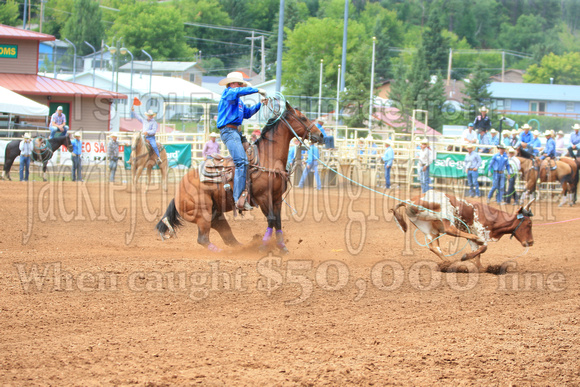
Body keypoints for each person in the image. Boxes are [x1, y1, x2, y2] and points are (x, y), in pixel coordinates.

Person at [217, 71, 266, 211]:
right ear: (232, 84)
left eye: (241, 84)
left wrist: (260, 104)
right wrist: (256, 89)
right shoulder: (228, 93)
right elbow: (238, 92)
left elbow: (248, 113)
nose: (240, 86)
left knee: (253, 157)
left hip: (236, 133)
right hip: (229, 131)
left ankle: (251, 193)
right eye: (239, 84)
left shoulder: (238, 102)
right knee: (242, 161)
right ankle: (238, 198)